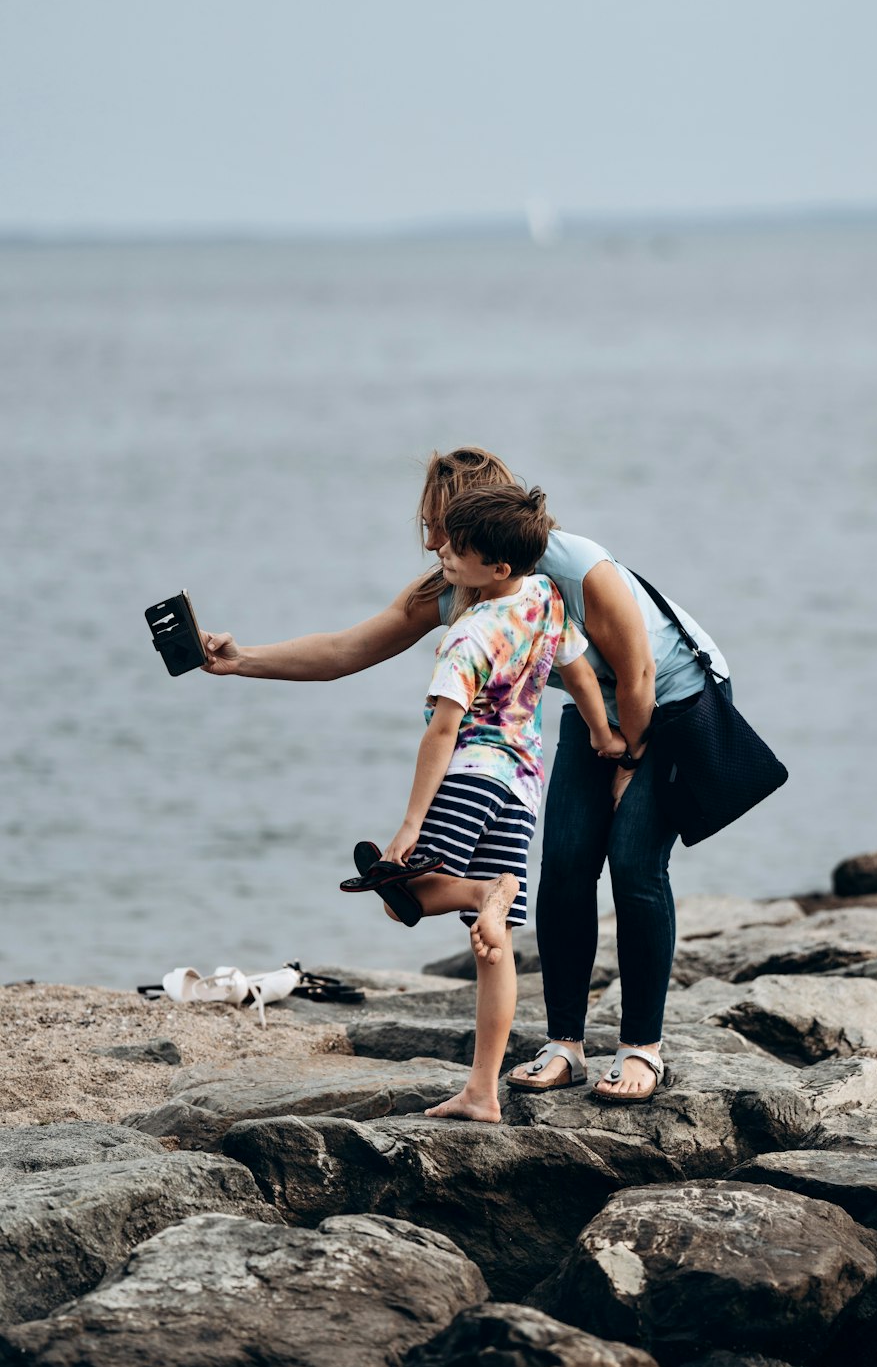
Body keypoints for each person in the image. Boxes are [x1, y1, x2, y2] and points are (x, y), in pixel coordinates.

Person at [201, 444, 730, 1103]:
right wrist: (240, 658)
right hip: (597, 710)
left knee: (632, 861)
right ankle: (565, 1045)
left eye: (437, 525)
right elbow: (347, 649)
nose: (428, 541)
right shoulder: (459, 585)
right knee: (564, 863)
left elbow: (641, 671)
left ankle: (642, 1052)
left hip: (673, 705)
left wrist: (627, 757)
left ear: (483, 528)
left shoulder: (575, 566)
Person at [339, 482, 623, 1122]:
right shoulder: (545, 596)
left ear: (496, 567)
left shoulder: (470, 635)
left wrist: (410, 824)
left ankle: (477, 894)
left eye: (457, 552)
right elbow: (577, 674)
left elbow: (440, 730)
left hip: (469, 775)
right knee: (491, 947)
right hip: (523, 786)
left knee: (402, 898)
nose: (442, 556)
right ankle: (483, 1091)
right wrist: (605, 736)